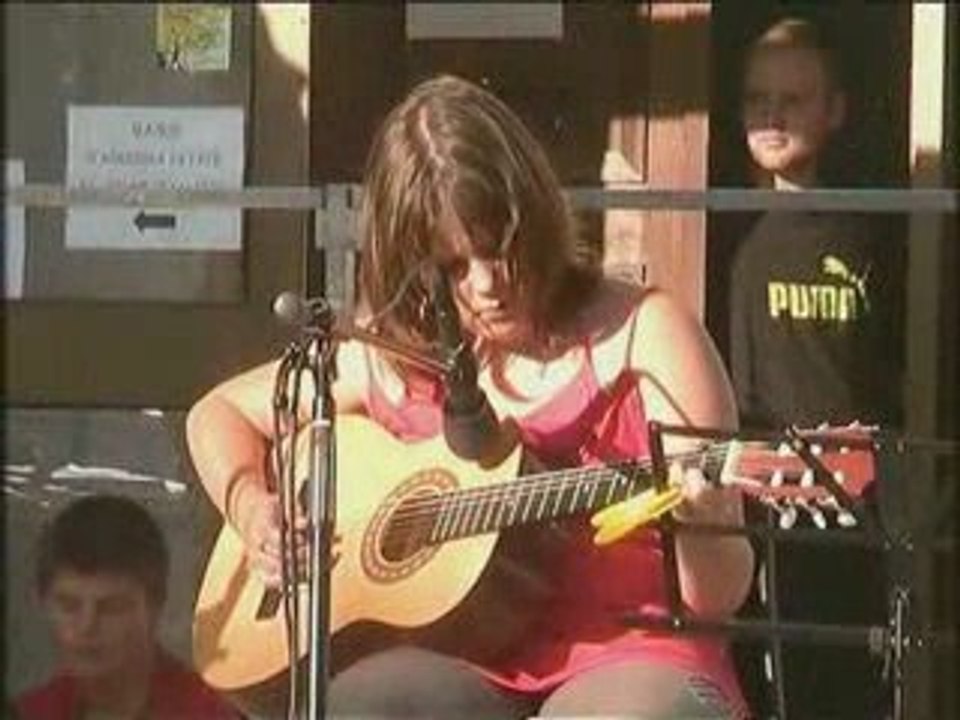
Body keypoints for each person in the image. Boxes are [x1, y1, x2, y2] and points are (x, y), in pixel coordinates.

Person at [187, 74, 755, 719]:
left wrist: (704, 518)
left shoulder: (644, 334)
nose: (486, 284)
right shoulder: (395, 356)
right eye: (453, 268)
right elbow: (219, 413)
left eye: (500, 250)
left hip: (633, 653)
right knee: (360, 708)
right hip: (461, 658)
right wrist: (254, 508)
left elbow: (718, 597)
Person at [728, 17, 906, 719]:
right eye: (756, 99)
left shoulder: (871, 234)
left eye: (792, 100)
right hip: (763, 509)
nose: (771, 115)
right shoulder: (736, 243)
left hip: (862, 510)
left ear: (835, 112)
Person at [14, 494, 242, 720]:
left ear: (154, 606)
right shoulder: (29, 712)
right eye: (69, 606)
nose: (86, 627)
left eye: (110, 608)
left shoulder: (209, 714)